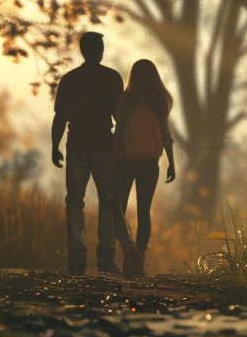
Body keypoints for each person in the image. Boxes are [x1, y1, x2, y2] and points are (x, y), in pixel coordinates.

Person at [52, 31, 140, 275]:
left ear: (82, 50)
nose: (102, 50)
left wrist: (54, 145)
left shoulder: (70, 79)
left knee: (74, 203)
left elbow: (60, 116)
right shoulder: (112, 78)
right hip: (104, 146)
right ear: (97, 50)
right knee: (109, 203)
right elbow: (118, 116)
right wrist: (123, 145)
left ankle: (77, 260)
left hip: (76, 146)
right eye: (101, 46)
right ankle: (106, 259)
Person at [111, 59, 176, 276]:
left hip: (127, 160)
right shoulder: (160, 101)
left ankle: (129, 249)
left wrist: (112, 160)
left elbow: (119, 132)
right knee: (144, 212)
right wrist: (171, 163)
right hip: (151, 162)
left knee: (116, 206)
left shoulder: (123, 99)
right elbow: (165, 134)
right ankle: (140, 260)